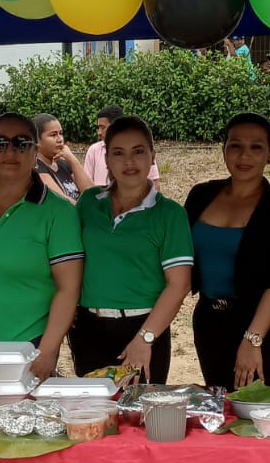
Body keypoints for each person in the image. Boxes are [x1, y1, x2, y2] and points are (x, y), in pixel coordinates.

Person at [0, 112, 82, 381]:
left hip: (25, 348)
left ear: (35, 151)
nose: (10, 152)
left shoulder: (58, 212)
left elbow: (68, 289)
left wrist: (47, 351)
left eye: (21, 143)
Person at [183, 113, 270, 390]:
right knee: (219, 405)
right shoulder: (200, 195)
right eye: (235, 145)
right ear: (224, 149)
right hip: (209, 322)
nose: (244, 156)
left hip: (263, 329)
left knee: (255, 409)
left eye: (256, 147)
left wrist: (253, 339)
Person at [70, 116, 192, 382]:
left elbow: (179, 284)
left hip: (143, 329)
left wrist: (145, 338)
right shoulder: (89, 202)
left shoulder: (169, 214)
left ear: (152, 156)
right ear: (106, 160)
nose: (129, 162)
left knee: (139, 407)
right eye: (118, 153)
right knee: (91, 407)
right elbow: (71, 261)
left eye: (138, 151)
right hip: (89, 328)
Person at [83, 104, 160, 188]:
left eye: (103, 127)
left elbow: (155, 185)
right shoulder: (94, 151)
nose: (99, 132)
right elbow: (85, 186)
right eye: (98, 128)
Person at [34, 114, 92, 203]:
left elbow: (91, 194)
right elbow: (62, 202)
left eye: (61, 133)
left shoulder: (63, 164)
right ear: (36, 140)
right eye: (53, 135)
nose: (60, 139)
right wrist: (88, 209)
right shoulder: (36, 168)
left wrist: (72, 160)